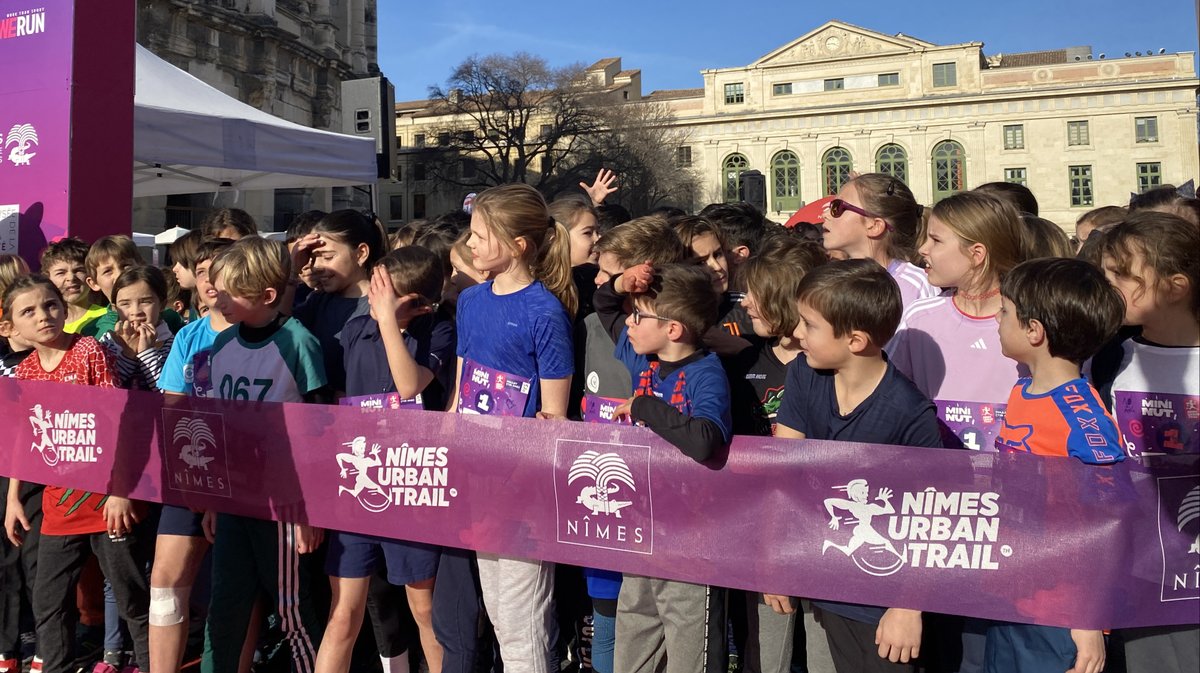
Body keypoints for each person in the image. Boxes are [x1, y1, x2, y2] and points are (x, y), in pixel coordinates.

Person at [773, 259, 942, 673]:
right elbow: (784, 475)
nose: (796, 334)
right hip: (827, 585)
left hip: (888, 605)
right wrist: (776, 563)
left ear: (856, 339)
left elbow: (933, 516)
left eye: (809, 325)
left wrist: (908, 606)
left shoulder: (911, 412)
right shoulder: (803, 375)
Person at [451, 183, 575, 673]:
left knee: (524, 619)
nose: (472, 243)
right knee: (499, 610)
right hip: (476, 472)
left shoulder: (543, 311)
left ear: (519, 244)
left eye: (482, 234)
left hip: (522, 483)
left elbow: (554, 416)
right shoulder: (470, 301)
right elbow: (460, 387)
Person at [3, 275, 153, 673]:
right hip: (57, 507)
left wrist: (121, 491)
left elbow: (119, 419)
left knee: (131, 597)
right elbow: (25, 437)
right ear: (11, 327)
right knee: (48, 602)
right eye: (29, 311)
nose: (43, 316)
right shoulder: (27, 372)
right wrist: (13, 498)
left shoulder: (88, 350)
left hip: (107, 503)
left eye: (50, 305)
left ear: (64, 308)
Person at [316, 247, 455, 673]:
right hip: (357, 482)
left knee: (424, 609)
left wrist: (391, 324)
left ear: (417, 303)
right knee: (343, 612)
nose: (372, 298)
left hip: (411, 487)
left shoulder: (439, 330)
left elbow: (409, 384)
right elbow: (339, 394)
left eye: (383, 292)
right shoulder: (357, 328)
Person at [988, 257, 1126, 673]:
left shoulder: (1085, 422)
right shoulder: (1021, 390)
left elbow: (1106, 526)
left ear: (1034, 331)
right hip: (1009, 593)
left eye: (1005, 311)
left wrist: (1089, 621)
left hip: (1060, 616)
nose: (996, 319)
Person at [200, 236, 331, 673]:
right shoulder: (220, 347)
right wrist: (216, 499)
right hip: (235, 498)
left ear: (267, 296)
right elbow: (216, 426)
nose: (217, 299)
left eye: (228, 291)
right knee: (226, 606)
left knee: (291, 610)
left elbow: (318, 430)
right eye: (215, 288)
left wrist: (308, 508)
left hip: (283, 504)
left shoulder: (298, 343)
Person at [598, 263, 730, 673]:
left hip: (692, 547)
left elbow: (706, 439)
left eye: (639, 315)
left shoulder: (706, 374)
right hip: (641, 536)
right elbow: (603, 306)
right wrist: (625, 281)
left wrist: (644, 407)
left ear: (673, 329)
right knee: (632, 651)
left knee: (689, 659)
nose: (629, 323)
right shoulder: (644, 358)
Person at [1090, 212, 1200, 673]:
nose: (1108, 283)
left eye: (1123, 274)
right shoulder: (1108, 356)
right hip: (1140, 570)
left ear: (1176, 286)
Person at [723, 236, 827, 673]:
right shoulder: (741, 360)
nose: (744, 302)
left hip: (824, 532)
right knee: (765, 655)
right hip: (759, 532)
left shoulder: (833, 366)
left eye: (756, 293)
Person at [148, 238, 235, 673]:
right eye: (201, 272)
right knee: (165, 583)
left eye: (219, 269)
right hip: (194, 476)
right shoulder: (188, 335)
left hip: (247, 480)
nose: (209, 281)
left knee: (234, 591)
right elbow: (173, 410)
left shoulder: (269, 330)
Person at [887, 192, 1028, 445]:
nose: (923, 249)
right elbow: (892, 395)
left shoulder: (1028, 322)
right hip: (937, 475)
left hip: (1012, 475)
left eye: (936, 240)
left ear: (976, 254)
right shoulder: (920, 317)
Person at [290, 209, 387, 397]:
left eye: (327, 257)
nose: (316, 265)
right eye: (313, 257)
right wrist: (292, 271)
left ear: (361, 253)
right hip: (320, 415)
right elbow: (279, 325)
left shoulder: (381, 303)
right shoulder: (318, 301)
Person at [818, 174, 936, 310]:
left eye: (837, 207)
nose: (825, 214)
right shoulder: (832, 282)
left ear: (875, 226)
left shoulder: (916, 287)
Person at [83, 236, 185, 338]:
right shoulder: (93, 331)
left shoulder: (170, 318)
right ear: (93, 283)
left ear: (141, 266)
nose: (119, 274)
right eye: (108, 271)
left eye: (125, 265)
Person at [98, 266, 175, 391]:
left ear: (162, 304)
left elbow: (167, 394)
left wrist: (146, 352)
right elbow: (106, 390)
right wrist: (128, 354)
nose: (135, 312)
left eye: (145, 301)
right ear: (115, 308)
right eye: (125, 304)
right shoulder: (107, 343)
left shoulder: (173, 345)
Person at [39, 237, 107, 334]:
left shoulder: (107, 318)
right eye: (61, 273)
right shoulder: (46, 324)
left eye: (79, 270)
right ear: (48, 278)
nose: (71, 278)